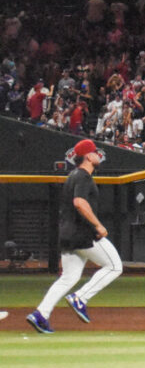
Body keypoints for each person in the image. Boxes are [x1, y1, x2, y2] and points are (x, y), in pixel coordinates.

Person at [27, 140, 123, 334]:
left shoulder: (73, 175)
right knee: (114, 266)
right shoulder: (83, 176)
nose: (98, 155)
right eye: (95, 152)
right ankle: (81, 297)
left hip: (68, 234)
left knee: (68, 278)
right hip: (83, 234)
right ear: (88, 156)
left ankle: (40, 314)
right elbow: (79, 202)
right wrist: (98, 225)